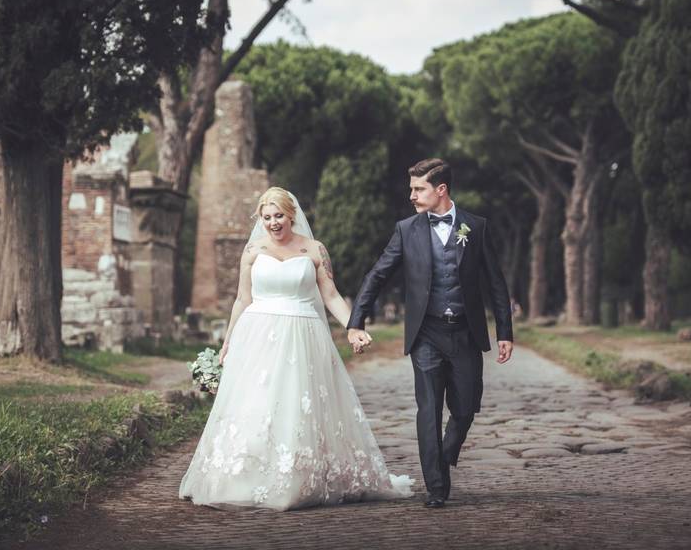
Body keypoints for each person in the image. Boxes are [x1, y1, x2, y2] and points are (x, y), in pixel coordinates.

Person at [179, 187, 413, 510]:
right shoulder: (252, 251)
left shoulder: (314, 250)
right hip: (258, 336)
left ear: (292, 215)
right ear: (260, 219)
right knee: (257, 405)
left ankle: (299, 477)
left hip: (303, 336)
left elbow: (331, 296)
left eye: (279, 216)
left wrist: (354, 327)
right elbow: (242, 300)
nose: (274, 223)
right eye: (267, 217)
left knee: (296, 404)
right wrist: (229, 341)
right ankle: (247, 478)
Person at [347, 158, 514, 508]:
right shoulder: (406, 230)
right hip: (426, 332)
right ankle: (436, 487)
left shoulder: (476, 227)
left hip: (466, 333)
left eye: (418, 188)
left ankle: (447, 453)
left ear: (441, 190)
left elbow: (496, 284)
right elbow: (377, 274)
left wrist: (505, 331)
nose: (412, 195)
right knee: (428, 410)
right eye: (411, 188)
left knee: (466, 407)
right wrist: (356, 320)